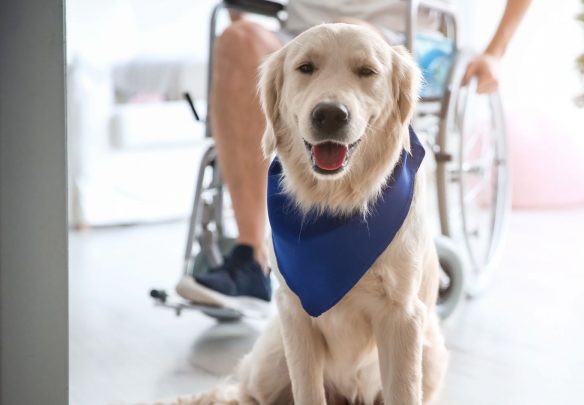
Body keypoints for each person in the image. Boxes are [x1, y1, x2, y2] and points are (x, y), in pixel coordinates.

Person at [178, 0, 532, 306]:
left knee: (351, 35)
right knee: (238, 41)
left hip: (400, 40)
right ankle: (250, 259)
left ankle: (356, 260)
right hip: (302, 41)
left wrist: (495, 52)